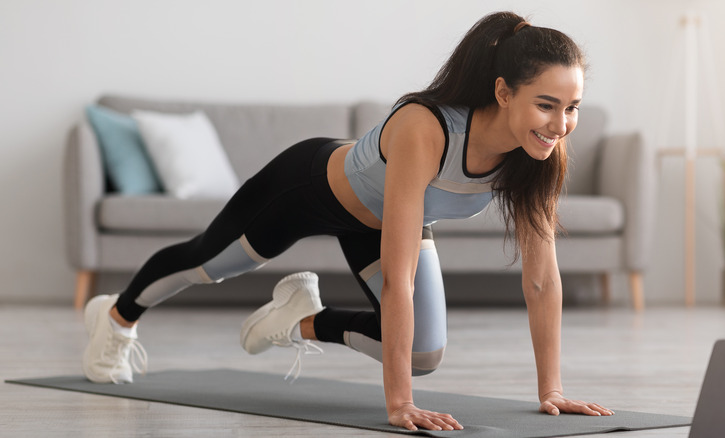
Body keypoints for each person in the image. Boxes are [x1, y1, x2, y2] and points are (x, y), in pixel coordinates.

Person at [81, 11, 614, 432]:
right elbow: (400, 276)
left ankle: (298, 318)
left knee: (425, 353)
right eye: (548, 105)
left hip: (386, 222)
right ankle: (116, 320)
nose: (561, 124)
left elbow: (542, 278)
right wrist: (400, 403)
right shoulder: (426, 128)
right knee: (209, 264)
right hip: (308, 189)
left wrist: (552, 391)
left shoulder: (539, 157)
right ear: (503, 92)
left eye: (573, 108)